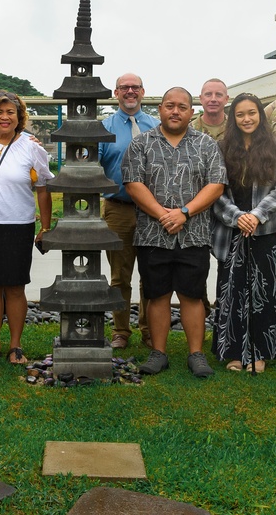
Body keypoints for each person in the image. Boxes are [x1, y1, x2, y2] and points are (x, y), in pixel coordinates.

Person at [123, 87, 227, 378]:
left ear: (191, 112)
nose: (175, 111)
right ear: (160, 109)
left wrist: (184, 212)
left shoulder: (206, 145)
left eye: (182, 107)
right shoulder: (141, 144)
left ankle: (196, 354)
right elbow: (133, 183)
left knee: (192, 294)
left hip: (194, 233)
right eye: (170, 105)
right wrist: (162, 214)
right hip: (152, 233)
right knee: (157, 294)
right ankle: (159, 353)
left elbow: (216, 184)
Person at [0, 90, 53, 366]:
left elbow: (43, 188)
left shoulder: (31, 146)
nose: (4, 117)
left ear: (19, 116)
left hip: (19, 224)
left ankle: (16, 345)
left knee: (16, 287)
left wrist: (46, 227)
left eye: (10, 112)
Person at [211, 93, 276, 373]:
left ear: (261, 116)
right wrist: (238, 216)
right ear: (233, 119)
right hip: (231, 230)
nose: (247, 119)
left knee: (264, 293)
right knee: (232, 292)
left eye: (252, 113)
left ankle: (260, 353)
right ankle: (234, 351)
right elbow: (214, 189)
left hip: (264, 230)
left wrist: (257, 215)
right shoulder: (221, 148)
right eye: (240, 114)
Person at [100, 73, 160, 349]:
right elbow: (94, 169)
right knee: (120, 275)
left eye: (135, 87)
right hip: (118, 209)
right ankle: (121, 330)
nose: (130, 91)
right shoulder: (104, 128)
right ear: (116, 93)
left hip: (153, 211)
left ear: (143, 92)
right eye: (124, 87)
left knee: (151, 273)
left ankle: (148, 329)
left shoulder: (157, 126)